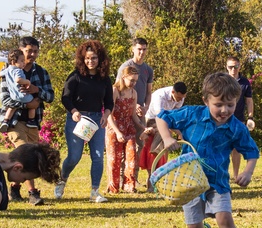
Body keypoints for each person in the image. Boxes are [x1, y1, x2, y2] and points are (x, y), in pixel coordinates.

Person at [155, 72, 260, 228]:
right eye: (219, 104)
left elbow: (252, 152)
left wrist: (248, 172)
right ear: (206, 101)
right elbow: (162, 117)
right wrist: (167, 137)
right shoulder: (192, 114)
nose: (225, 110)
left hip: (217, 182)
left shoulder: (236, 127)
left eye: (230, 105)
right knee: (193, 225)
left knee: (224, 219)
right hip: (190, 182)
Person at [56, 40, 114, 203]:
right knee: (75, 156)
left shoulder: (104, 79)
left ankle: (95, 191)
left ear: (100, 59)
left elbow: (109, 102)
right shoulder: (75, 76)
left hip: (97, 120)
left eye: (94, 58)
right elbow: (65, 97)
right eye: (88, 58)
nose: (91, 61)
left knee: (97, 157)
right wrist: (74, 112)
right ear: (83, 58)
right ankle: (62, 179)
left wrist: (106, 115)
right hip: (78, 119)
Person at [0, 36, 55, 206]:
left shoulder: (41, 72)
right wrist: (28, 103)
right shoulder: (9, 72)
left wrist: (36, 90)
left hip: (33, 121)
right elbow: (5, 99)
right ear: (20, 51)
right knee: (24, 152)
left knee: (27, 157)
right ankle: (33, 193)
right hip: (14, 121)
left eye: (35, 51)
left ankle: (14, 189)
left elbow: (51, 96)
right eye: (28, 51)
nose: (31, 54)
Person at [105, 65, 145, 194]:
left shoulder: (134, 93)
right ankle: (113, 188)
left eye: (135, 81)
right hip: (114, 127)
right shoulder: (115, 90)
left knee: (132, 157)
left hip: (128, 127)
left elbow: (133, 115)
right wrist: (117, 132)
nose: (134, 83)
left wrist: (144, 127)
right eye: (131, 80)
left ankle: (129, 186)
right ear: (124, 77)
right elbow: (109, 114)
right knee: (114, 160)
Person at [140, 82, 187, 184]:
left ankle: (157, 148)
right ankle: (155, 148)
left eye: (182, 98)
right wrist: (175, 131)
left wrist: (179, 131)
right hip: (152, 119)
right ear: (173, 92)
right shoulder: (159, 95)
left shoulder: (181, 97)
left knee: (168, 133)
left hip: (166, 120)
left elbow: (175, 116)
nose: (180, 100)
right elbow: (160, 117)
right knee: (161, 131)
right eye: (178, 97)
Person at [226, 57, 255, 179]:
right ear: (226, 67)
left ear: (239, 66)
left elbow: (249, 101)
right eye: (230, 67)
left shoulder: (244, 82)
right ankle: (221, 174)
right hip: (222, 118)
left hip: (238, 119)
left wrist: (251, 117)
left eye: (236, 66)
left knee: (236, 149)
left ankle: (236, 175)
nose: (233, 69)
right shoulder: (222, 80)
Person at [0, 49, 40, 133]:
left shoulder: (8, 70)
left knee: (12, 107)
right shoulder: (18, 70)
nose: (24, 63)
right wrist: (27, 82)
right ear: (14, 61)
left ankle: (6, 121)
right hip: (22, 94)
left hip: (13, 96)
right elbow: (18, 80)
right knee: (33, 104)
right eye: (21, 61)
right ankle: (31, 120)